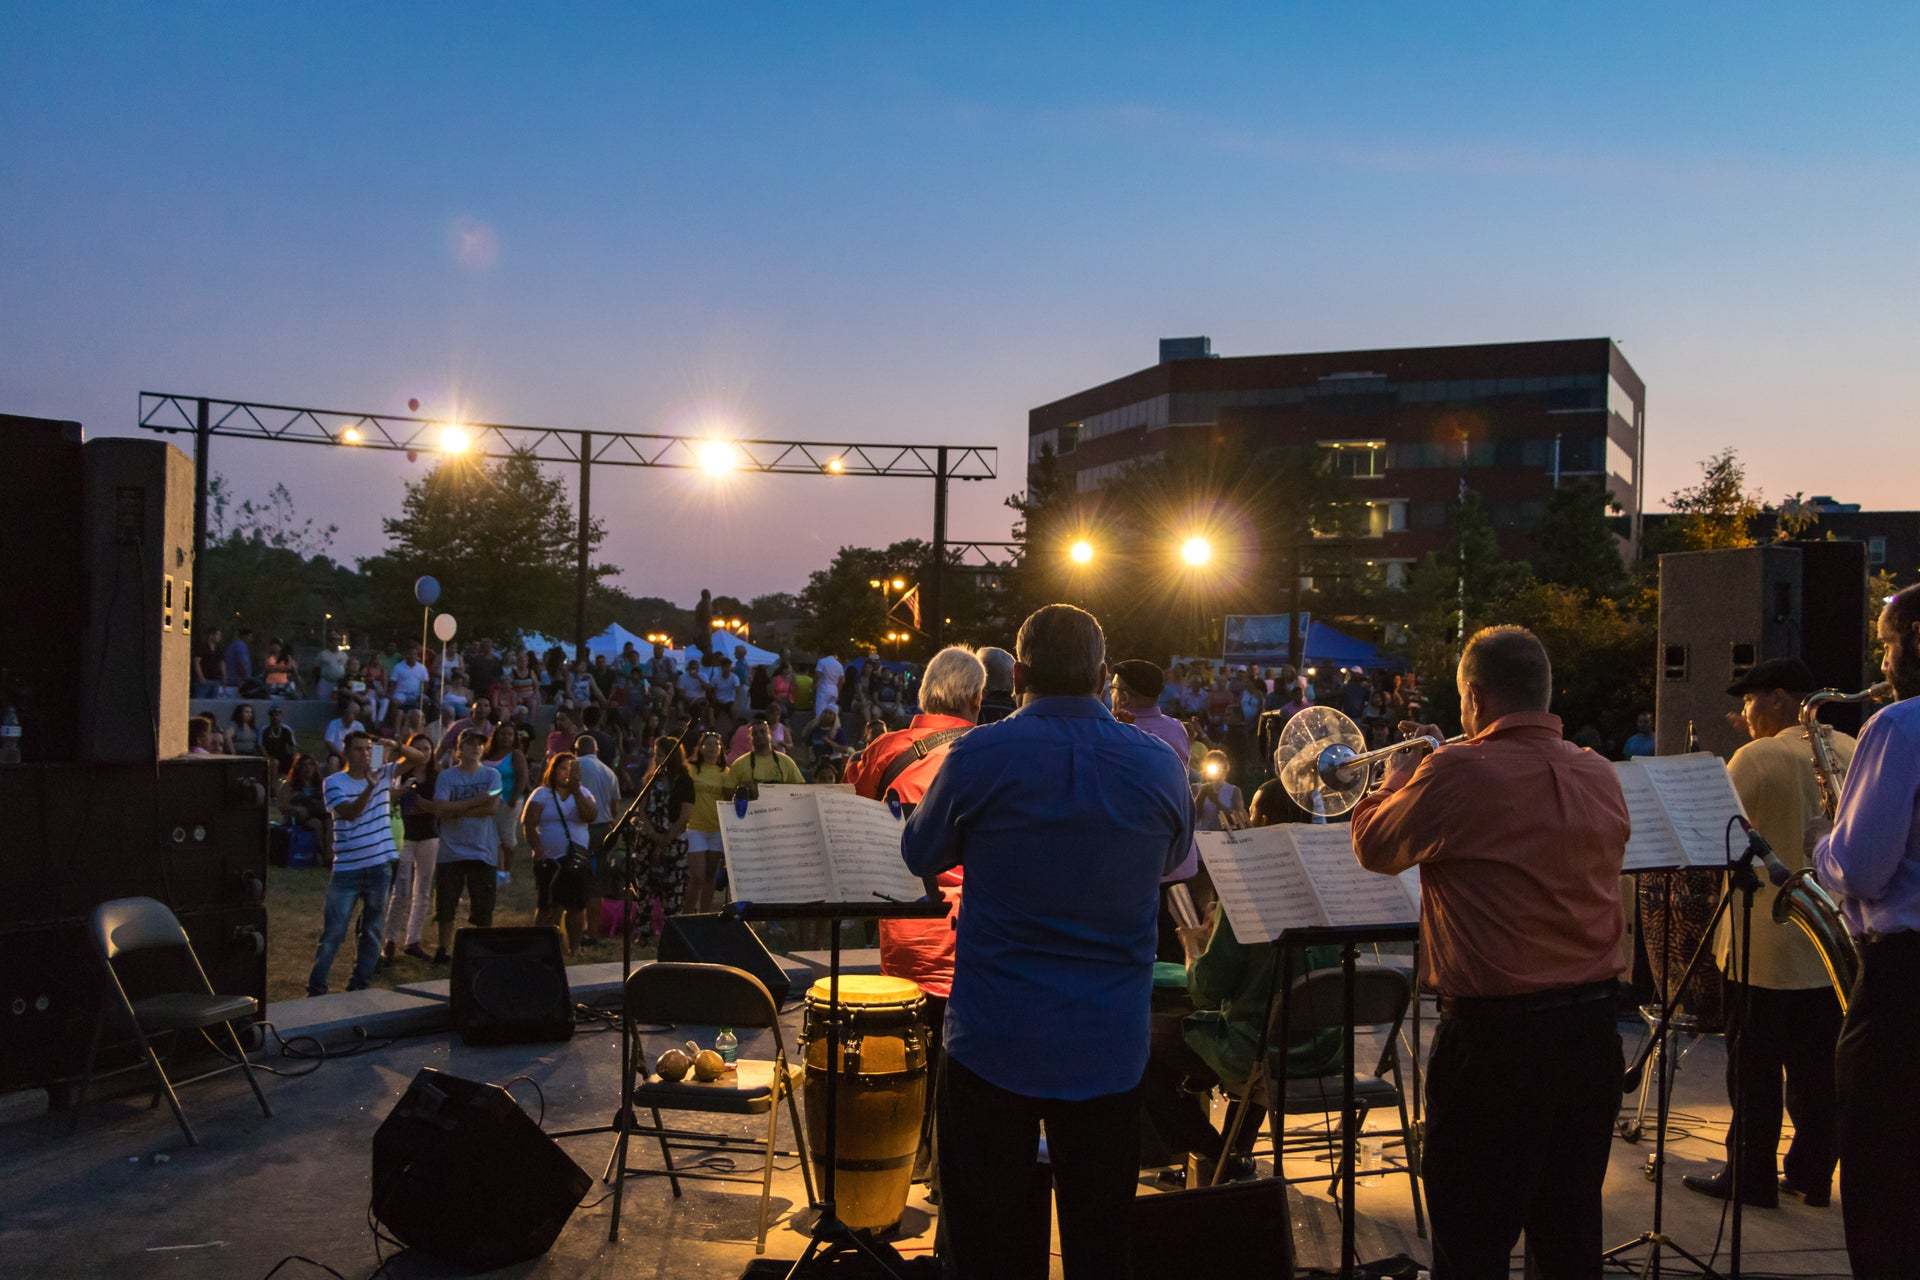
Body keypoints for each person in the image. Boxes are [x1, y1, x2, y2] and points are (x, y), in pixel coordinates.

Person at [903, 605, 1192, 1280]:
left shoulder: (977, 755)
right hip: (1109, 1043)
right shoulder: (1158, 764)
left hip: (994, 1038)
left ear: (1019, 676)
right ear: (1102, 675)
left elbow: (920, 851)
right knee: (1101, 1241)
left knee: (988, 1246)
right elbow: (1175, 858)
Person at [1348, 625, 1627, 1280]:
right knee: (1568, 1235)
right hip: (1591, 1036)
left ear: (1473, 696)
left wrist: (1395, 779)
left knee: (1472, 1242)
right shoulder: (1597, 771)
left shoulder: (1455, 771)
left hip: (1496, 1043)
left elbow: (1374, 848)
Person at [1682, 658, 1849, 1210]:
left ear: (1779, 697)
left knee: (1753, 1070)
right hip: (1828, 941)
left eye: (1750, 700)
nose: (1745, 712)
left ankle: (1750, 1176)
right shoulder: (1850, 748)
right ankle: (1812, 1173)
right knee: (1818, 1070)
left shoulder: (1758, 756)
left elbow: (1715, 834)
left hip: (1764, 942)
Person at [1812, 582, 1920, 1277]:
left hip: (1904, 985)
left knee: (1887, 1183)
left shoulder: (1900, 727)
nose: (1883, 664)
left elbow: (1861, 868)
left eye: (1887, 645)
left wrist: (1825, 843)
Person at [847, 644, 985, 1177]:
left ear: (925, 694)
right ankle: (948, 1159)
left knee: (910, 1040)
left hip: (904, 921)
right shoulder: (988, 751)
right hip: (970, 928)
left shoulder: (886, 750)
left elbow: (855, 813)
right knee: (961, 1051)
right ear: (976, 698)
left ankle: (903, 1149)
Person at [308, 730, 427, 995]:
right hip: (347, 868)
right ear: (346, 753)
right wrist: (371, 787)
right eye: (358, 749)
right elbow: (350, 813)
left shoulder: (384, 772)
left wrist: (397, 745)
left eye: (368, 749)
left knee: (372, 930)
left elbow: (420, 758)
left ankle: (360, 984)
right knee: (334, 932)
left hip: (379, 865)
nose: (364, 754)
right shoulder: (334, 782)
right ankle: (316, 987)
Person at [419, 728, 504, 964]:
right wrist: (477, 801)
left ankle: (482, 948)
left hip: (482, 849)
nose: (475, 748)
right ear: (459, 749)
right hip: (451, 850)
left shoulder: (492, 775)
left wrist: (455, 809)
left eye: (479, 744)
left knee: (483, 905)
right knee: (446, 904)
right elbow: (440, 808)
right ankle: (443, 948)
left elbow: (491, 808)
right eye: (469, 744)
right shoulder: (447, 777)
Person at [522, 751, 598, 955]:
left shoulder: (584, 793)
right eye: (563, 768)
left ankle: (575, 947)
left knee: (576, 906)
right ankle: (542, 947)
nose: (566, 773)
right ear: (553, 770)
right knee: (548, 905)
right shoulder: (542, 794)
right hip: (550, 859)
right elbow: (529, 823)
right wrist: (537, 849)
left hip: (576, 859)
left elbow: (590, 816)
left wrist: (576, 791)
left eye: (571, 769)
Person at [383, 732, 440, 962]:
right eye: (418, 749)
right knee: (402, 889)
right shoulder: (399, 775)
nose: (423, 753)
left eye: (427, 749)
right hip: (404, 835)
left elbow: (440, 805)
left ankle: (413, 939)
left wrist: (424, 806)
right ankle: (389, 939)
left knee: (423, 890)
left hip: (429, 835)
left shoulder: (437, 776)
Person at [573, 733, 622, 941]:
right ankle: (593, 931)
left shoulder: (573, 767)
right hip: (602, 830)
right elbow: (615, 808)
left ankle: (573, 929)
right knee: (596, 882)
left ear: (576, 750)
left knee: (574, 880)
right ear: (596, 751)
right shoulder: (609, 772)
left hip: (578, 829)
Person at [680, 732, 729, 914]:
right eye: (708, 744)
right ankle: (687, 914)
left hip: (715, 829)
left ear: (720, 749)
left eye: (716, 744)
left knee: (710, 876)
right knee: (697, 876)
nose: (712, 748)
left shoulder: (725, 773)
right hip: (695, 827)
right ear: (700, 748)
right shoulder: (691, 769)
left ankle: (705, 914)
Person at [483, 721, 527, 871]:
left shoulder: (515, 755)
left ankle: (506, 871)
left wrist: (513, 798)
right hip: (487, 802)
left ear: (514, 737)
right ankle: (494, 868)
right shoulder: (487, 754)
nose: (506, 737)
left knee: (506, 838)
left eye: (509, 734)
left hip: (508, 801)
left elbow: (522, 777)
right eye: (502, 734)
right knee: (491, 837)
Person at [724, 717, 804, 793]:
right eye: (755, 733)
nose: (759, 735)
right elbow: (728, 791)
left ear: (770, 735)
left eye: (762, 732)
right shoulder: (739, 764)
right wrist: (743, 789)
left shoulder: (786, 761)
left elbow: (800, 788)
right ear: (750, 738)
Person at [1193, 749, 1245, 831]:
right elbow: (1192, 818)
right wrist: (1201, 796)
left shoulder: (1234, 791)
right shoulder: (1197, 788)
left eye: (1218, 763)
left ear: (1225, 767)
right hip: (1202, 835)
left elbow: (1239, 821)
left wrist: (1217, 802)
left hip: (1223, 836)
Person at [390, 643, 431, 713]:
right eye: (410, 654)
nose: (412, 656)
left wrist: (422, 693)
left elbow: (426, 683)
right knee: (394, 702)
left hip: (416, 694)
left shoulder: (422, 667)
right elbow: (393, 683)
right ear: (406, 655)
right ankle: (394, 719)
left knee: (426, 701)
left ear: (417, 655)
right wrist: (391, 694)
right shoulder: (398, 667)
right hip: (401, 694)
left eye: (414, 654)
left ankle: (422, 719)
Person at [261, 705, 296, 775]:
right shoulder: (265, 730)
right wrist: (267, 757)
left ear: (281, 716)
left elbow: (293, 746)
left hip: (284, 755)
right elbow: (261, 746)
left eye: (277, 715)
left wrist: (294, 756)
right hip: (270, 755)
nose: (275, 717)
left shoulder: (286, 729)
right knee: (274, 763)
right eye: (272, 715)